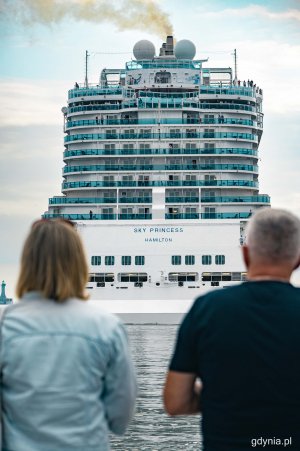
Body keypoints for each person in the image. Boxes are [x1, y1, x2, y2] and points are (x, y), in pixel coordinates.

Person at [164, 208, 300, 450]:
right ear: (298, 260)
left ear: (246, 253)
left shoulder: (208, 307)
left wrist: (220, 389)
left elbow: (175, 402)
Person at [0, 219, 136, 451]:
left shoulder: (5, 326)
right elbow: (121, 417)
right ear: (79, 261)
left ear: (27, 262)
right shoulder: (107, 327)